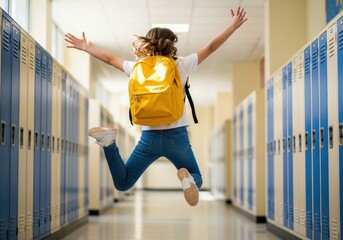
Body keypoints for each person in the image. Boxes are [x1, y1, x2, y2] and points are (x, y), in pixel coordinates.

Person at [65, 6, 247, 206]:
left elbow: (109, 59)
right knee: (198, 177)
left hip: (148, 139)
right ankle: (187, 179)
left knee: (124, 183)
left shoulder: (136, 67)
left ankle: (109, 144)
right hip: (177, 138)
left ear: (148, 43)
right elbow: (211, 47)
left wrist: (86, 46)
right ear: (171, 46)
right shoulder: (181, 65)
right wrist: (233, 27)